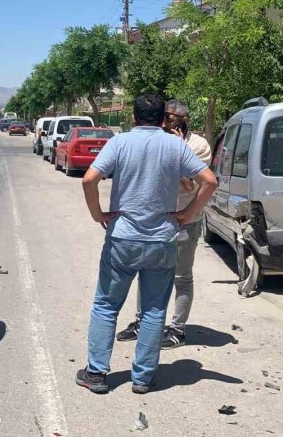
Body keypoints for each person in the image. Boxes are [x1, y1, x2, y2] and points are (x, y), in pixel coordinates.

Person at [75, 92, 218, 395]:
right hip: (161, 241)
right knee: (154, 310)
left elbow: (89, 179)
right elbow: (210, 181)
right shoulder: (176, 146)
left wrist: (98, 214)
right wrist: (187, 214)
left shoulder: (119, 142)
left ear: (132, 117)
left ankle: (96, 373)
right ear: (164, 120)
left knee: (106, 305)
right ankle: (142, 378)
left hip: (122, 239)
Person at [116, 99, 212, 349]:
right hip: (156, 221)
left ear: (184, 120)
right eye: (164, 117)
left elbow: (190, 185)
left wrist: (178, 151)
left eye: (170, 118)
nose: (165, 122)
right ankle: (142, 322)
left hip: (184, 220)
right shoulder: (156, 140)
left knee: (182, 277)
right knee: (146, 272)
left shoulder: (198, 146)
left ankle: (178, 329)